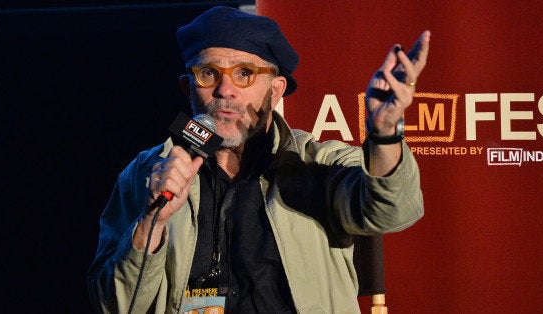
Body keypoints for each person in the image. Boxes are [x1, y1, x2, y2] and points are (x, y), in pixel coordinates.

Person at [87, 5, 429, 314]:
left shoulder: (318, 165)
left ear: (276, 90)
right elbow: (114, 305)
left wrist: (384, 132)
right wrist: (152, 221)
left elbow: (393, 210)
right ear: (186, 88)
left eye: (245, 73)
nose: (225, 89)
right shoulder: (147, 175)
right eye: (208, 74)